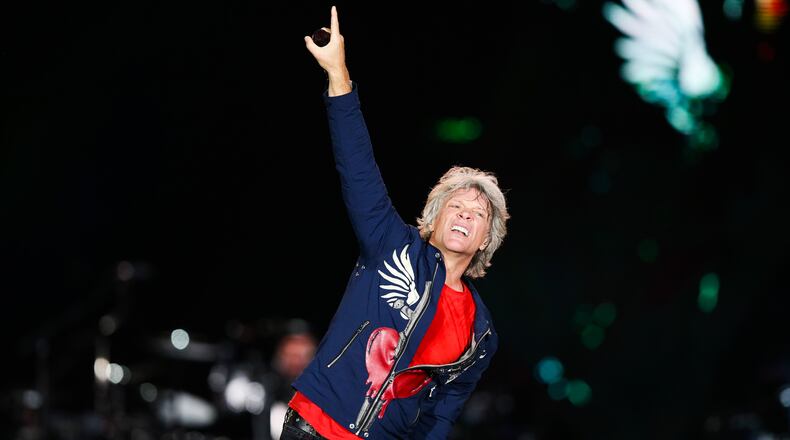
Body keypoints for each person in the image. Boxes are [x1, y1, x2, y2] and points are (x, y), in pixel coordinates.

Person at [282, 6, 510, 439]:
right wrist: (338, 74)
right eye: (456, 205)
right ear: (434, 218)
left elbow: (441, 417)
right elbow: (357, 167)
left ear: (486, 239)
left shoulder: (480, 333)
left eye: (479, 213)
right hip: (315, 427)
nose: (466, 213)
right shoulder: (390, 242)